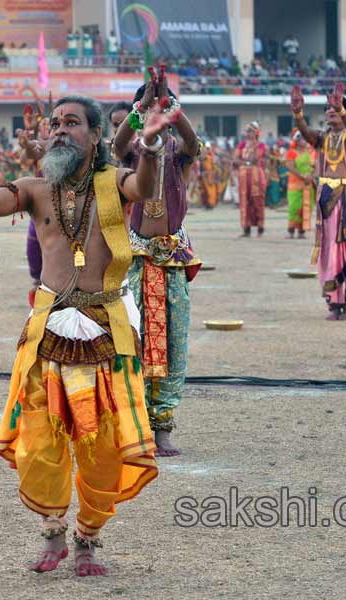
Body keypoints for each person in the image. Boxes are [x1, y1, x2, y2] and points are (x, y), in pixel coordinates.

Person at [0, 95, 173, 576]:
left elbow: (146, 186)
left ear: (95, 137)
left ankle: (88, 538)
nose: (60, 131)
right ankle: (52, 533)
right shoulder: (32, 188)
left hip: (106, 331)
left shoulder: (115, 182)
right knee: (41, 438)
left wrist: (149, 144)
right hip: (48, 332)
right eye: (55, 124)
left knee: (103, 442)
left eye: (72, 123)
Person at [112, 70, 201, 456]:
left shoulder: (180, 152)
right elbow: (116, 148)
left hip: (174, 260)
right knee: (138, 339)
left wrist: (171, 109)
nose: (154, 115)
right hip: (138, 257)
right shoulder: (134, 150)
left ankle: (163, 426)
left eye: (159, 110)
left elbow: (194, 144)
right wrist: (142, 106)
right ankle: (137, 423)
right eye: (149, 110)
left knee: (173, 341)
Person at [292, 83, 346, 320]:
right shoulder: (322, 138)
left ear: (344, 111)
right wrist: (298, 114)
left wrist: (341, 110)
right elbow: (307, 133)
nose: (329, 111)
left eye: (334, 108)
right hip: (328, 199)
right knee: (330, 249)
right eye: (327, 108)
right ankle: (334, 302)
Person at [234, 122, 267, 237]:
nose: (248, 134)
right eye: (247, 131)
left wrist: (245, 160)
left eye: (251, 131)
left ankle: (260, 228)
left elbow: (255, 158)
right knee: (244, 201)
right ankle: (246, 229)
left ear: (257, 133)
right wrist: (246, 162)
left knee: (258, 200)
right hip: (244, 176)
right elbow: (235, 160)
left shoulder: (260, 145)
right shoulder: (242, 144)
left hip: (256, 175)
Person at [285, 132, 316, 238]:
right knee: (295, 207)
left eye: (305, 139)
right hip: (295, 184)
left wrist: (311, 177)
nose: (305, 141)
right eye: (302, 139)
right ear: (297, 141)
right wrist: (302, 176)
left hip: (308, 184)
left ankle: (301, 232)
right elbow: (290, 166)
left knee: (307, 207)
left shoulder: (311, 152)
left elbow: (316, 166)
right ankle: (291, 231)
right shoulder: (291, 152)